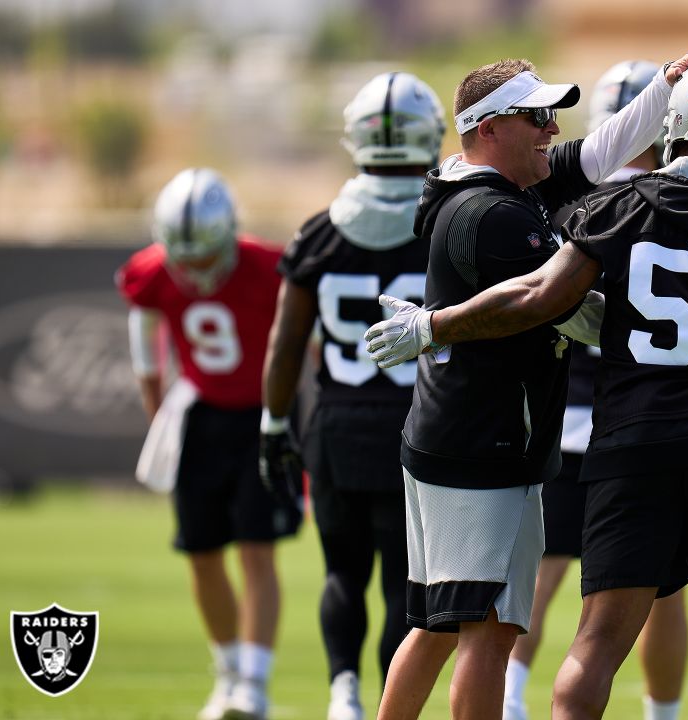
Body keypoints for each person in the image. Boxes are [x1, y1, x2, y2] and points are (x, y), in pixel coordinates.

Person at [366, 55, 688, 720]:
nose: (552, 128)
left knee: (594, 642)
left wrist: (434, 326)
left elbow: (546, 293)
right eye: (537, 116)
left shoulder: (608, 209)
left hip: (630, 445)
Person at [502, 59, 688, 720]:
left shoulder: (569, 200)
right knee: (663, 592)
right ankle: (660, 715)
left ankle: (513, 703)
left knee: (540, 576)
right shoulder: (687, 206)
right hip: (651, 422)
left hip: (569, 416)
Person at [259, 72, 446, 720]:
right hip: (415, 427)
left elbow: (286, 345)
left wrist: (273, 424)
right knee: (403, 579)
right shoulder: (445, 223)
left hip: (335, 424)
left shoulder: (320, 233)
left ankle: (344, 692)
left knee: (343, 571)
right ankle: (392, 704)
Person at [116, 168, 300, 720]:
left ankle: (256, 684)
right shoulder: (150, 274)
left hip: (262, 419)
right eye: (184, 258)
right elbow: (148, 358)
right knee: (200, 553)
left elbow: (303, 346)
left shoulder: (269, 266)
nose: (195, 269)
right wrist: (161, 426)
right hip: (199, 418)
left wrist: (298, 420)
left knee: (256, 551)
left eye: (204, 256)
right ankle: (227, 676)